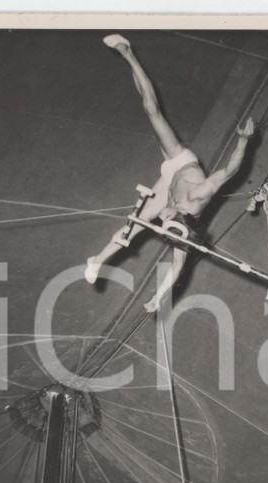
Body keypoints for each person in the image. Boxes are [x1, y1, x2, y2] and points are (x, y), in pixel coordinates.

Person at [85, 34, 256, 312]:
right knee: (151, 110)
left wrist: (160, 297)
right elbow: (231, 170)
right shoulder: (200, 195)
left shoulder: (181, 233)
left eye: (164, 220)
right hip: (180, 160)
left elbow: (177, 266)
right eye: (167, 218)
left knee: (138, 221)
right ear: (180, 213)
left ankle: (97, 260)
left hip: (170, 184)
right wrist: (244, 141)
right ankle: (127, 53)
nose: (162, 217)